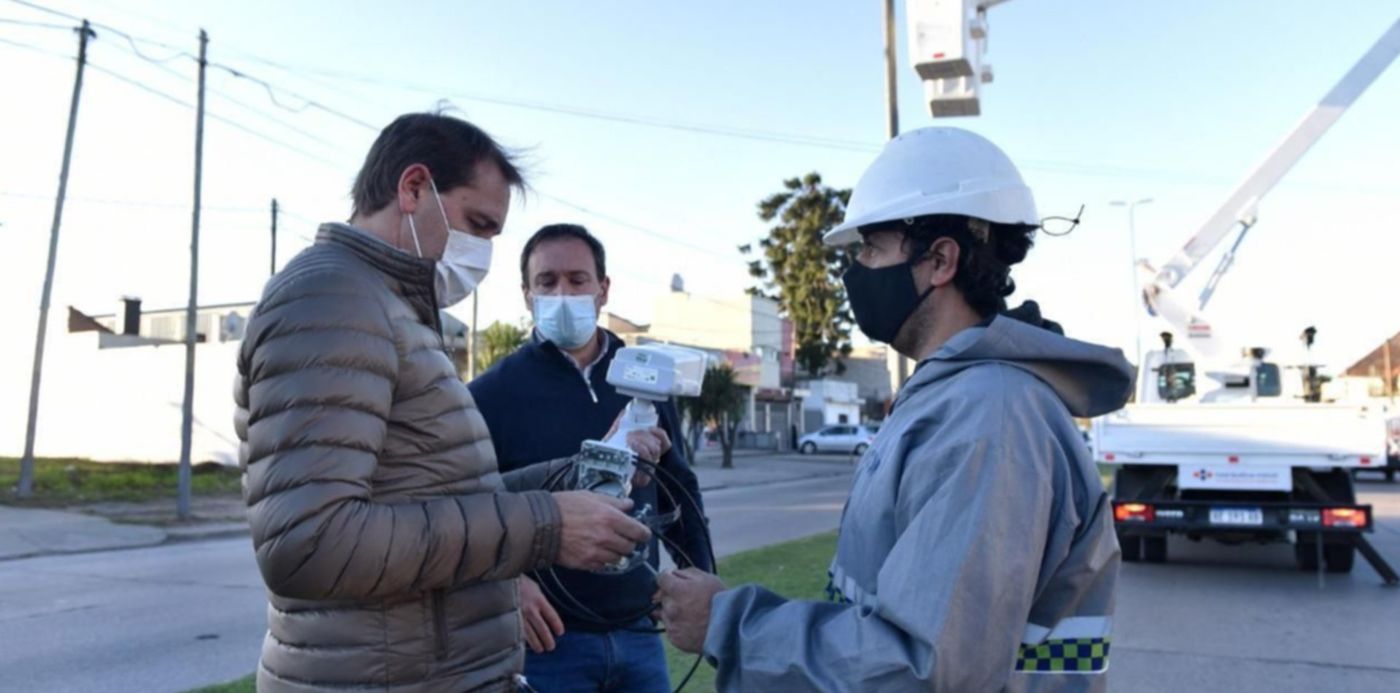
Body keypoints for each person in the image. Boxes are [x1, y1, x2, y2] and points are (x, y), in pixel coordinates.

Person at [656, 127, 1134, 691]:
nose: (855, 269)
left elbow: (923, 669)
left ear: (940, 261)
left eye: (871, 248)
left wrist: (728, 624)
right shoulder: (950, 399)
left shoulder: (988, 419)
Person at [233, 113, 667, 693]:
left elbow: (439, 498)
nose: (482, 254)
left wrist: (584, 472)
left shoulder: (389, 307)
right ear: (413, 189)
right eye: (478, 225)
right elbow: (309, 544)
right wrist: (546, 525)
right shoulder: (330, 297)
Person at [469, 223, 713, 692]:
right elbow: (463, 509)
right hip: (547, 647)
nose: (563, 293)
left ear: (603, 290)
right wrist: (503, 585)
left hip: (639, 632)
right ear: (526, 295)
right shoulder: (488, 395)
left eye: (578, 280)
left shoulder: (647, 376)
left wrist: (699, 579)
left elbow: (677, 486)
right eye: (547, 282)